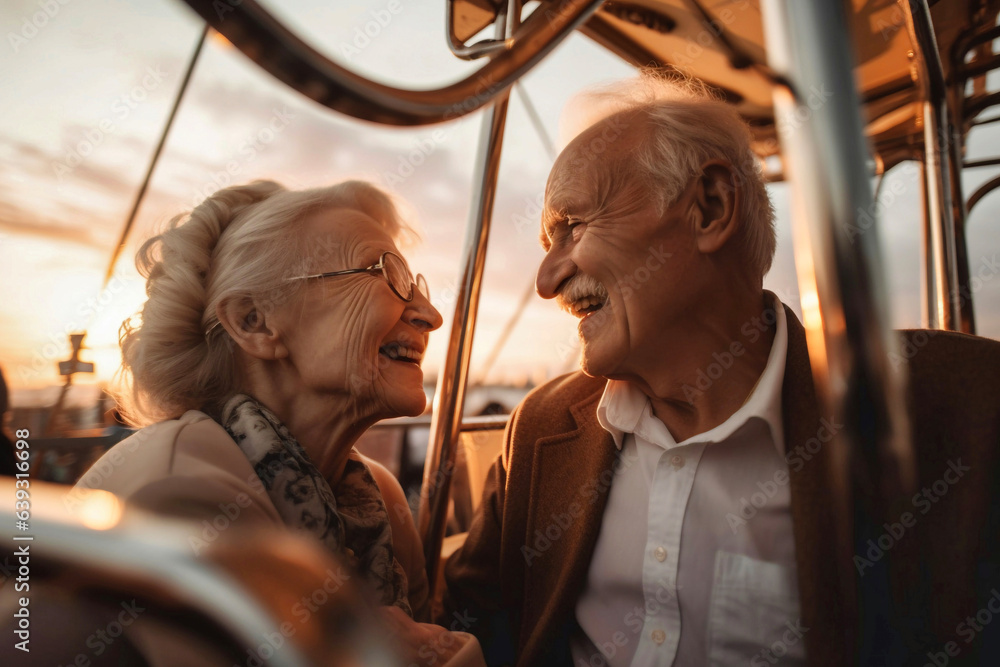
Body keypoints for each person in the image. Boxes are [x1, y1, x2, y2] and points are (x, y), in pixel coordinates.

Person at [442, 73, 1000, 666]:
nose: (546, 281)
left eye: (572, 228)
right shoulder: (541, 427)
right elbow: (474, 621)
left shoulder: (965, 407)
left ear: (710, 206)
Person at [74, 180, 483, 666]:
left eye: (415, 285)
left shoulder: (380, 499)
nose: (430, 316)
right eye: (386, 275)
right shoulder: (182, 494)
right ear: (255, 322)